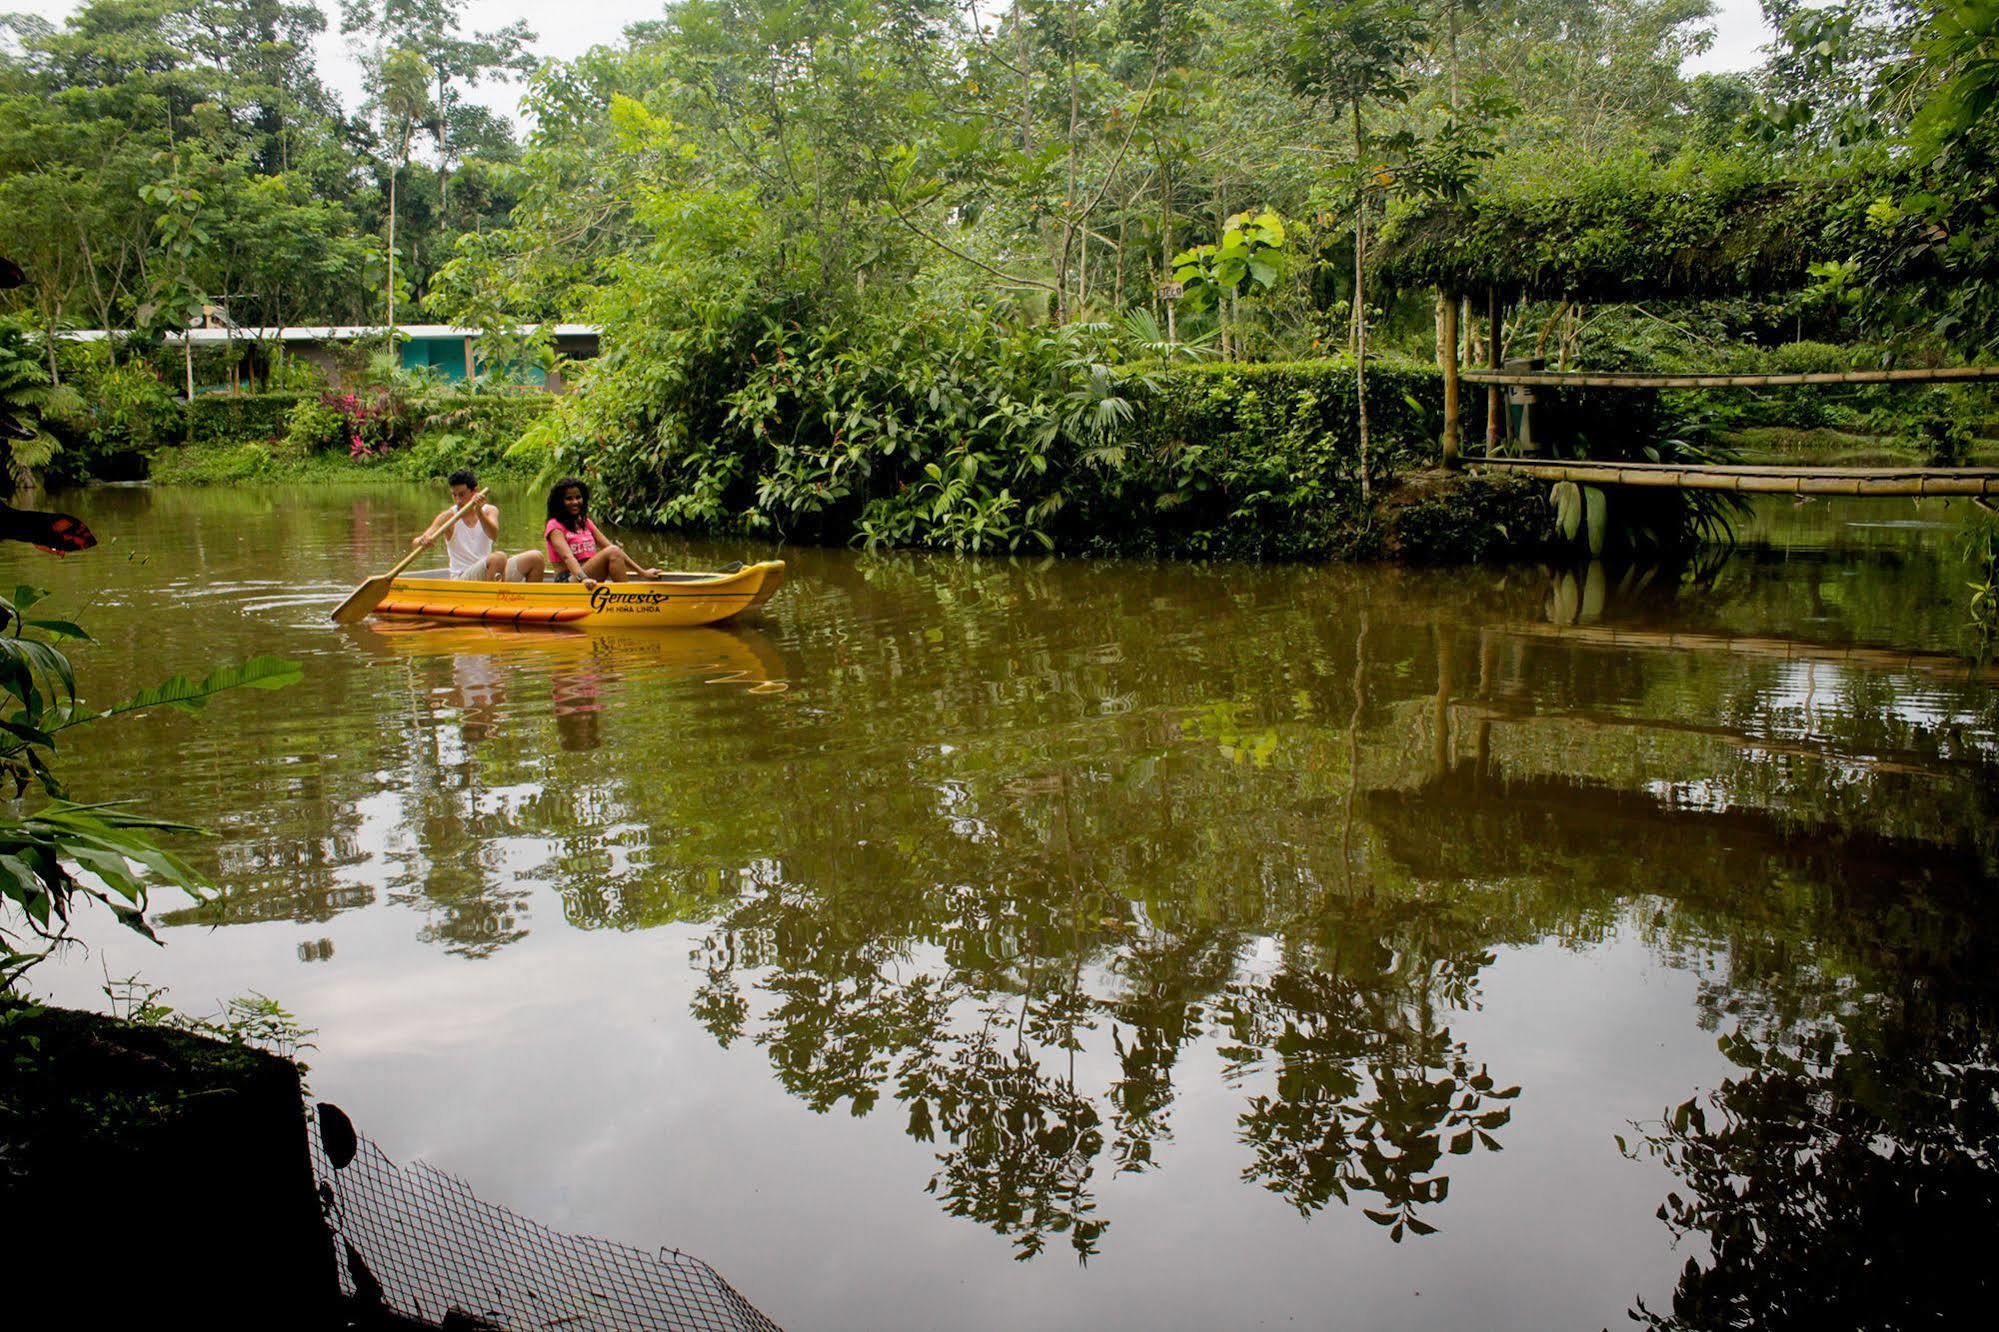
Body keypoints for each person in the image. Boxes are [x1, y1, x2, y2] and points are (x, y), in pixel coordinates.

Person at [414, 470, 545, 582]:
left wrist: (479, 512)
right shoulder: (448, 517)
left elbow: (493, 535)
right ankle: (492, 603)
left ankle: (529, 605)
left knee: (536, 557)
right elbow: (418, 542)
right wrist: (423, 540)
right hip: (462, 578)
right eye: (454, 495)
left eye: (462, 494)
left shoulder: (490, 510)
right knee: (499, 557)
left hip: (491, 570)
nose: (458, 500)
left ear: (475, 491)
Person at [544, 477, 662, 587]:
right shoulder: (554, 526)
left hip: (588, 578)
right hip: (568, 581)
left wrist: (642, 572)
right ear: (559, 502)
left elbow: (612, 549)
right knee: (613, 551)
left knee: (613, 551)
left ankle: (623, 594)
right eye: (569, 498)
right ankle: (627, 596)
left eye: (578, 497)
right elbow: (567, 557)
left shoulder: (585, 522)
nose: (575, 502)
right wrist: (583, 578)